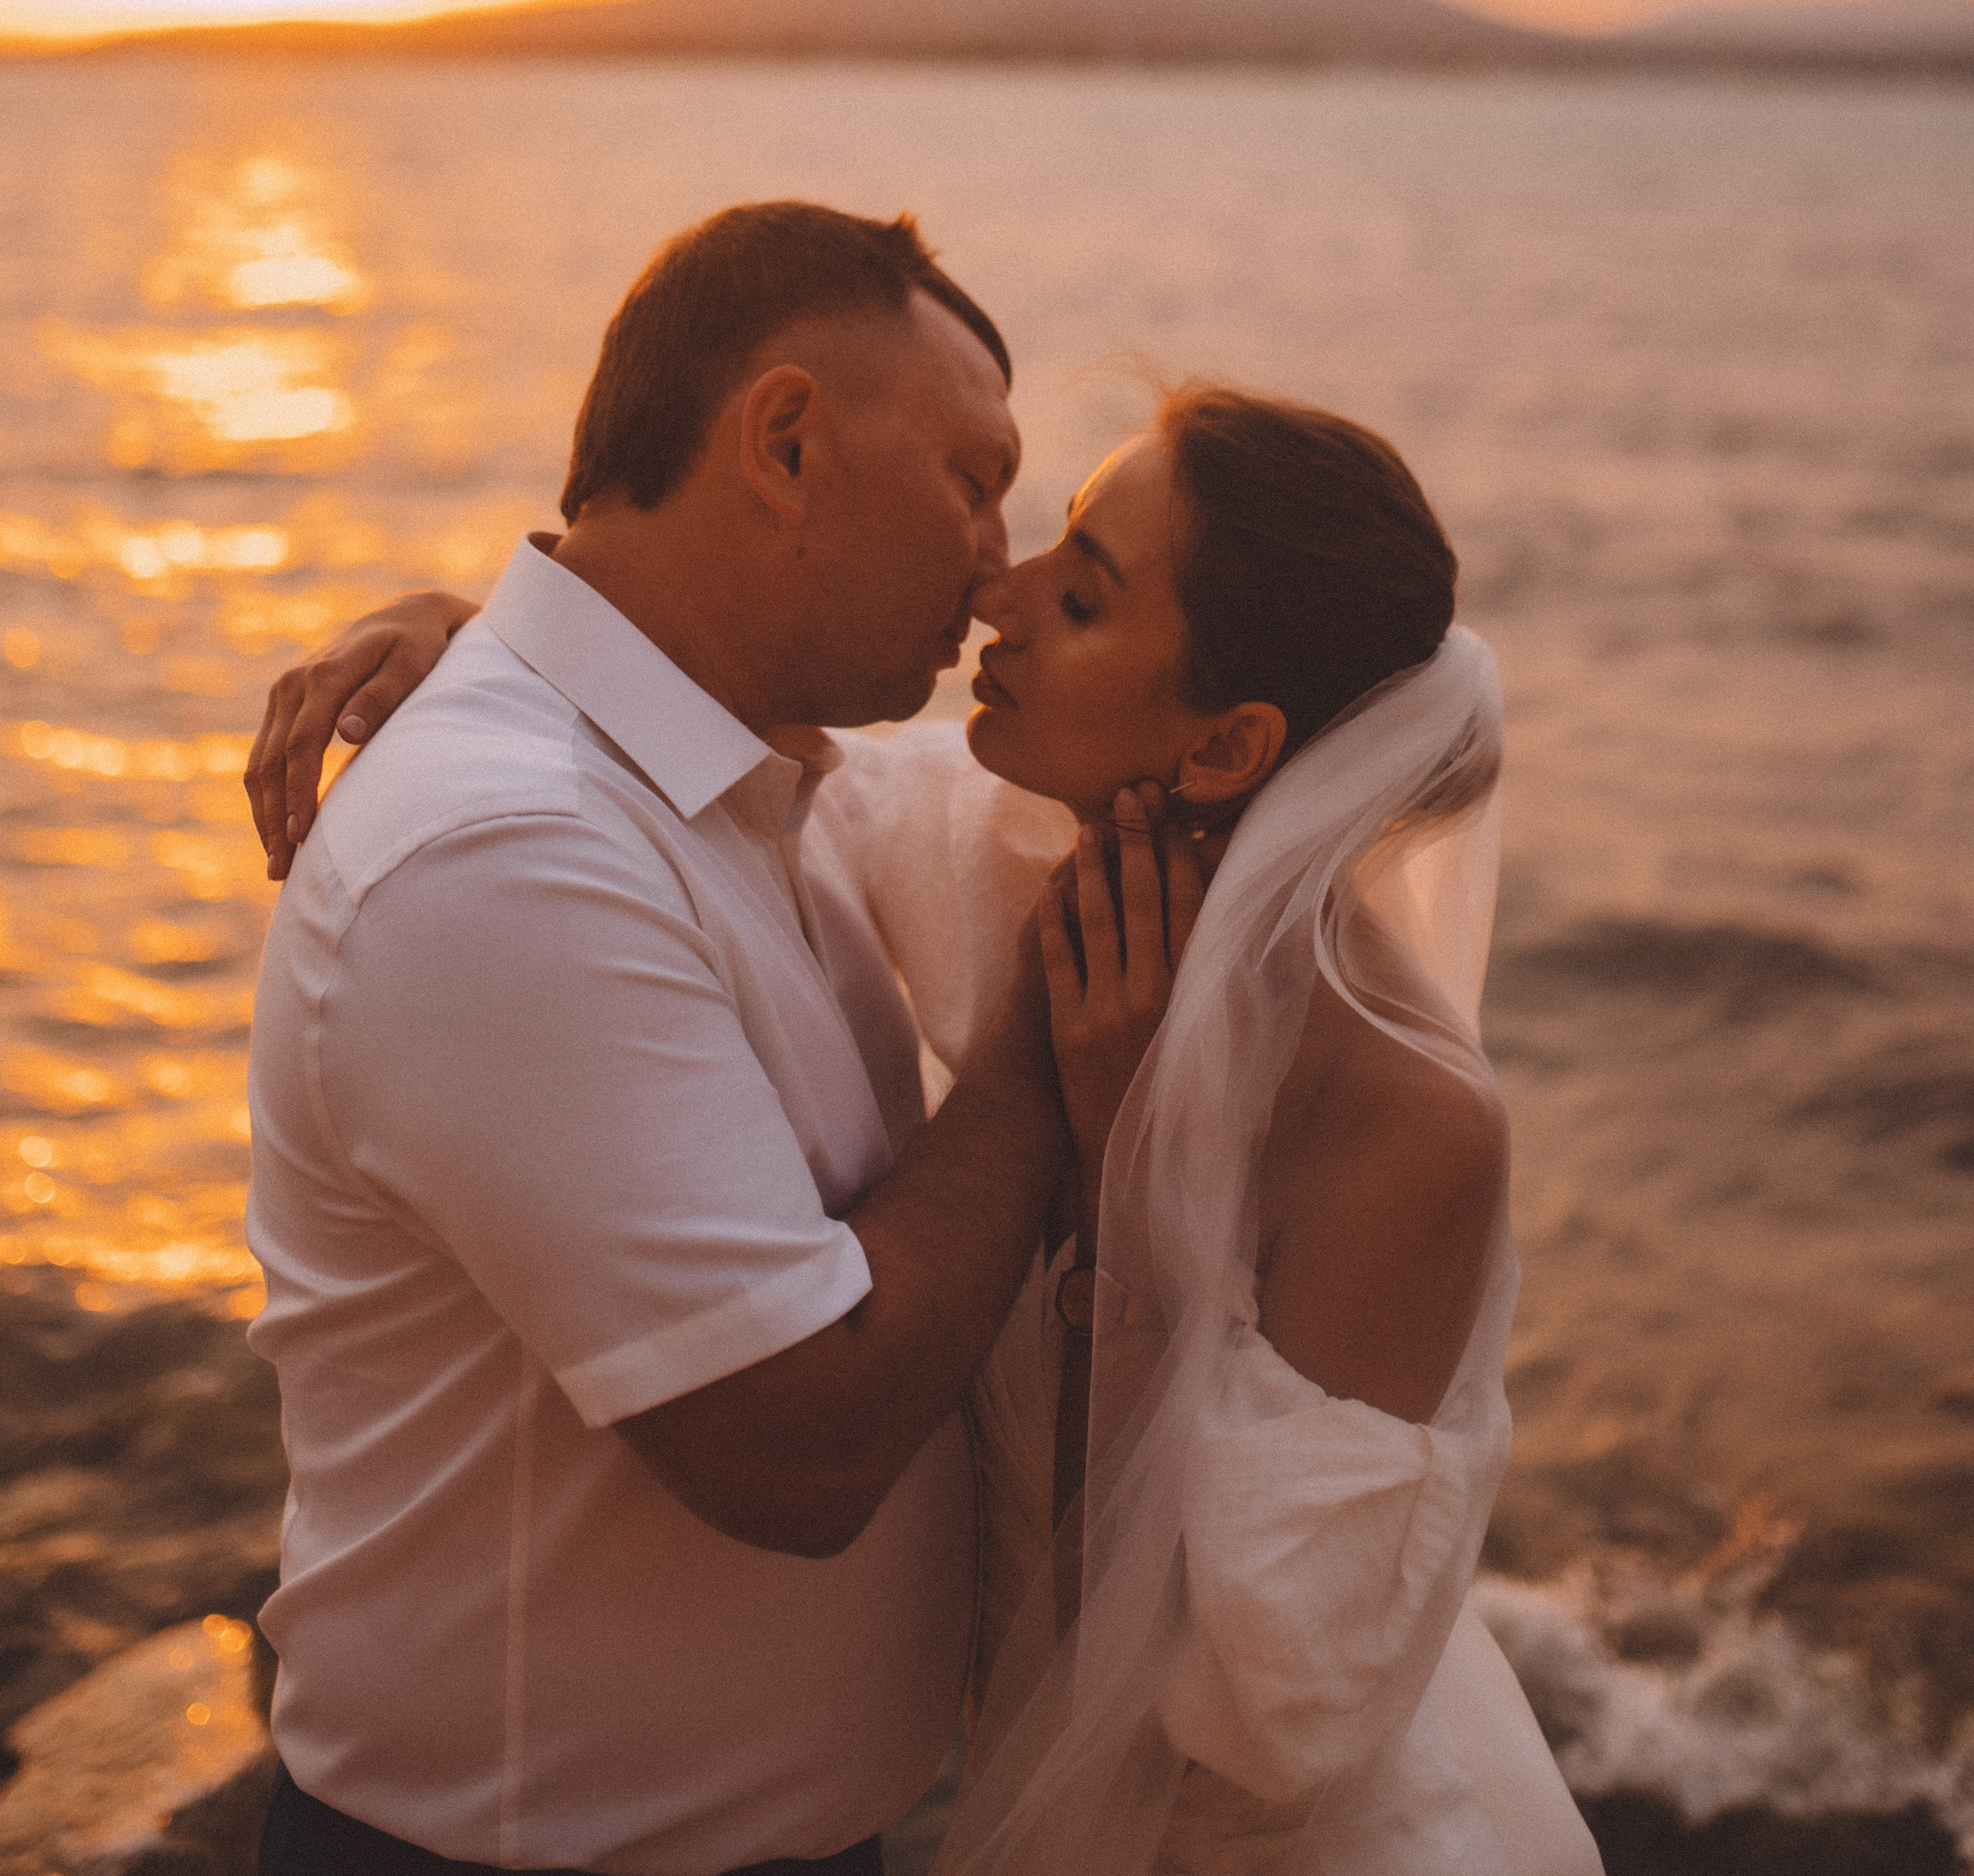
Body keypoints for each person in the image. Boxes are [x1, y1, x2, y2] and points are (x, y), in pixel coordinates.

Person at [256, 370, 1601, 1872]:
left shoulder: (1405, 1123)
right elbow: (691, 772)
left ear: (1224, 749)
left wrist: (1115, 1212)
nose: (993, 595)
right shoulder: (1003, 853)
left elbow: (1267, 1719)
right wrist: (475, 637)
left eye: (1079, 599)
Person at [245, 200, 1074, 1876]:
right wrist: (1051, 1064)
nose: (1000, 563)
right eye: (971, 481)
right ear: (784, 440)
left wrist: (480, 622)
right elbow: (799, 1440)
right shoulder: (509, 854)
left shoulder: (761, 788)